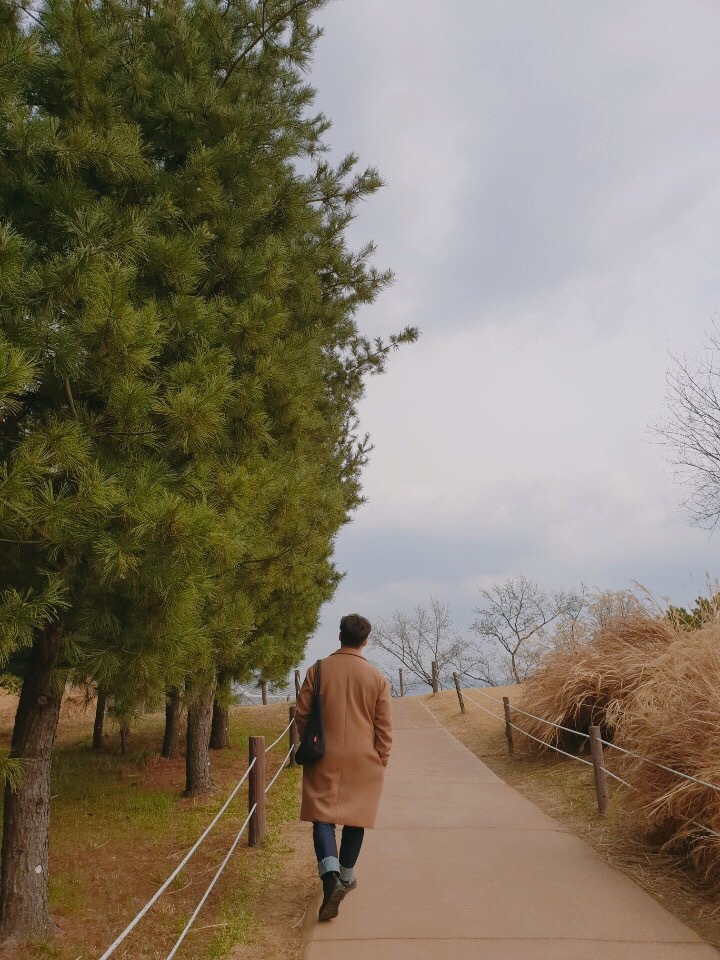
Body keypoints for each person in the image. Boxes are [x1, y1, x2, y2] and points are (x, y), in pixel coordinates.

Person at [295, 613, 393, 922]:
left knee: (322, 818)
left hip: (323, 755)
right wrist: (381, 758)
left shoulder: (318, 670)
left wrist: (312, 743)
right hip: (364, 760)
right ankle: (346, 876)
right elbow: (384, 728)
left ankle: (330, 877)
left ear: (340, 636)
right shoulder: (376, 677)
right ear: (365, 641)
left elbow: (301, 714)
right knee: (355, 818)